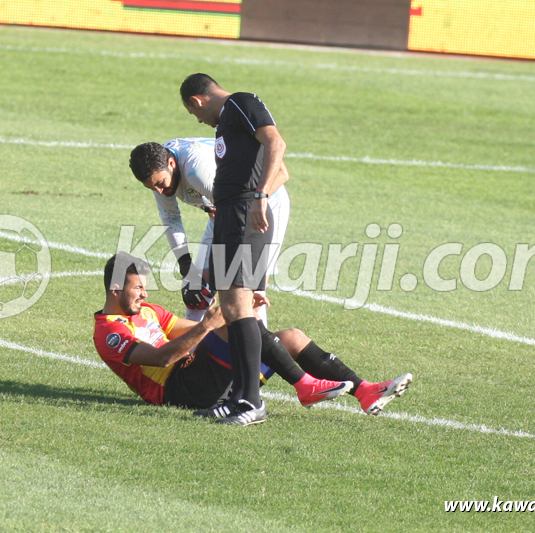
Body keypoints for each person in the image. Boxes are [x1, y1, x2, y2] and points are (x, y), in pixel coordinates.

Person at [93, 253, 413, 424]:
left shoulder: (147, 310)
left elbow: (184, 335)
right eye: (138, 288)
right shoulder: (109, 332)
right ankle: (304, 386)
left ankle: (365, 391)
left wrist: (219, 326)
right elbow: (163, 358)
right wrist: (209, 327)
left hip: (200, 374)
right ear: (115, 289)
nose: (144, 293)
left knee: (289, 337)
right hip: (178, 390)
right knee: (235, 321)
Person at [178, 73, 289, 425]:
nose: (198, 120)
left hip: (244, 212)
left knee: (240, 304)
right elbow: (277, 168)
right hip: (228, 215)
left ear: (197, 101)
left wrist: (260, 196)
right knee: (228, 304)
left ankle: (252, 402)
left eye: (193, 113)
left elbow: (277, 144)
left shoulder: (241, 102)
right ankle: (239, 397)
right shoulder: (225, 122)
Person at [128, 138, 290, 325]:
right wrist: (186, 264)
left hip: (261, 205)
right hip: (224, 208)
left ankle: (257, 349)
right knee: (197, 293)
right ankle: (192, 351)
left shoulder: (197, 170)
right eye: (151, 187)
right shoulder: (159, 172)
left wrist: (255, 276)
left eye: (161, 183)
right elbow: (171, 218)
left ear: (171, 164)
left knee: (249, 293)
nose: (159, 191)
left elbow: (241, 209)